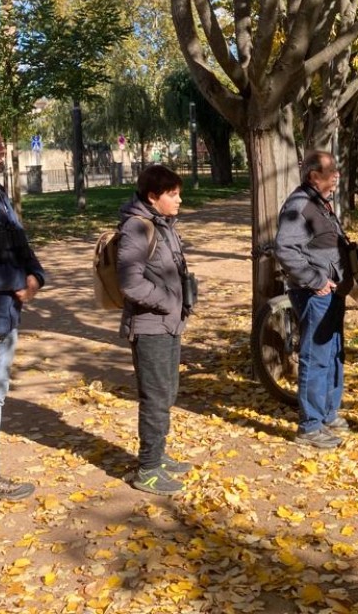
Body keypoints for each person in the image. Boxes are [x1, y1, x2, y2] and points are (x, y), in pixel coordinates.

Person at [118, 165, 195, 496]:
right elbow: (129, 282)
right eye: (172, 194)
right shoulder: (138, 228)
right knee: (155, 396)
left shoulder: (163, 225)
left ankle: (158, 456)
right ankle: (147, 469)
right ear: (153, 197)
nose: (179, 199)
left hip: (169, 323)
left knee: (167, 392)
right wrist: (166, 301)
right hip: (151, 325)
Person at [0, 118, 45, 500]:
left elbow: (19, 241)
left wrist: (36, 274)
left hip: (4, 315)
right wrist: (17, 280)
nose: (2, 149)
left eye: (2, 144)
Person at [275, 151, 354, 450]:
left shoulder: (319, 202)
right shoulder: (300, 205)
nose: (336, 176)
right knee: (315, 356)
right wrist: (316, 281)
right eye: (331, 171)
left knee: (333, 353)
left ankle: (327, 414)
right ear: (313, 176)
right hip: (314, 293)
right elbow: (285, 248)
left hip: (332, 291)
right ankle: (309, 427)